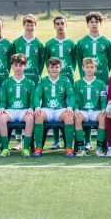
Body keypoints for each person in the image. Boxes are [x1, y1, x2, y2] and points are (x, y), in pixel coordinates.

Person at [12, 14, 45, 150]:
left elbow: (42, 62)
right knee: (18, 106)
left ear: (35, 26)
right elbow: (13, 60)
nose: (30, 27)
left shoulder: (39, 44)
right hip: (19, 79)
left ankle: (29, 140)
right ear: (23, 25)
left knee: (31, 109)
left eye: (32, 25)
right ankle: (18, 140)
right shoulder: (16, 42)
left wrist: (36, 74)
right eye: (27, 24)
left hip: (34, 80)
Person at [44, 15, 77, 149]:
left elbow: (75, 60)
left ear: (66, 25)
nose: (60, 26)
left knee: (67, 109)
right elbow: (46, 61)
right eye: (57, 24)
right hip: (53, 80)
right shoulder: (50, 44)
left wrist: (68, 72)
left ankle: (68, 140)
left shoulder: (72, 43)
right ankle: (56, 140)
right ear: (54, 26)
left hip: (68, 79)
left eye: (62, 23)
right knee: (54, 105)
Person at [33, 57, 76, 158]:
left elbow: (71, 96)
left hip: (60, 110)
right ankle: (38, 148)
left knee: (69, 116)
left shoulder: (65, 80)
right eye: (52, 67)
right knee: (38, 116)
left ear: (60, 68)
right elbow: (37, 95)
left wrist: (70, 106)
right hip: (46, 109)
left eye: (56, 67)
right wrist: (37, 107)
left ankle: (69, 148)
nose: (54, 69)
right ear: (48, 68)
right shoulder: (42, 80)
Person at [0, 54, 36, 157]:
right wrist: (2, 107)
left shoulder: (30, 83)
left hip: (24, 110)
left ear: (25, 66)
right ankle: (5, 148)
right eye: (15, 65)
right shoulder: (6, 82)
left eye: (20, 65)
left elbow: (33, 100)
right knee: (1, 117)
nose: (18, 68)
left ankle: (26, 148)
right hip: (10, 110)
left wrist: (31, 108)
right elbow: (3, 100)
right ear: (12, 66)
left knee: (30, 118)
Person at [73, 58, 107, 157]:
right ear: (83, 68)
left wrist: (104, 109)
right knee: (77, 118)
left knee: (103, 117)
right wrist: (76, 109)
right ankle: (81, 148)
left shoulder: (100, 83)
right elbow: (75, 99)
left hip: (96, 111)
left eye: (92, 67)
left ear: (95, 68)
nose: (89, 69)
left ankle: (99, 148)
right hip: (83, 111)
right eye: (87, 67)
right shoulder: (78, 83)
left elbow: (103, 98)